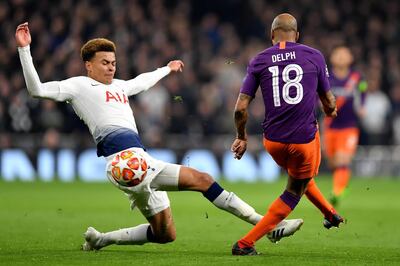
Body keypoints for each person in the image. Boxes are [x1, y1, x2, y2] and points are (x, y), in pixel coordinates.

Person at [15, 22, 303, 250]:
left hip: (137, 161)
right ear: (88, 65)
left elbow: (140, 82)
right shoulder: (78, 85)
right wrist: (25, 50)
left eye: (113, 62)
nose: (111, 66)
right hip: (123, 161)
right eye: (104, 62)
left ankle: (100, 239)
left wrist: (166, 69)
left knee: (165, 234)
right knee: (203, 179)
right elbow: (37, 89)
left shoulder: (118, 85)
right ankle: (267, 226)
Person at [230, 13, 344, 255]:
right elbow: (328, 100)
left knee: (299, 176)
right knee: (295, 190)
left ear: (272, 35)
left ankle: (330, 214)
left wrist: (241, 136)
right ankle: (245, 244)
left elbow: (240, 108)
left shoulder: (259, 60)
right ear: (297, 35)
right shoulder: (313, 55)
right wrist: (331, 109)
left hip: (273, 141)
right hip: (304, 140)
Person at [324, 46, 367, 205]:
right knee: (334, 162)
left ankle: (337, 192)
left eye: (344, 54)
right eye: (338, 54)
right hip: (331, 126)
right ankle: (343, 185)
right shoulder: (327, 78)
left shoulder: (356, 77)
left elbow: (363, 90)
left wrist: (362, 105)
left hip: (349, 126)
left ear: (350, 58)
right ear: (332, 58)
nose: (341, 57)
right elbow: (319, 95)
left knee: (343, 159)